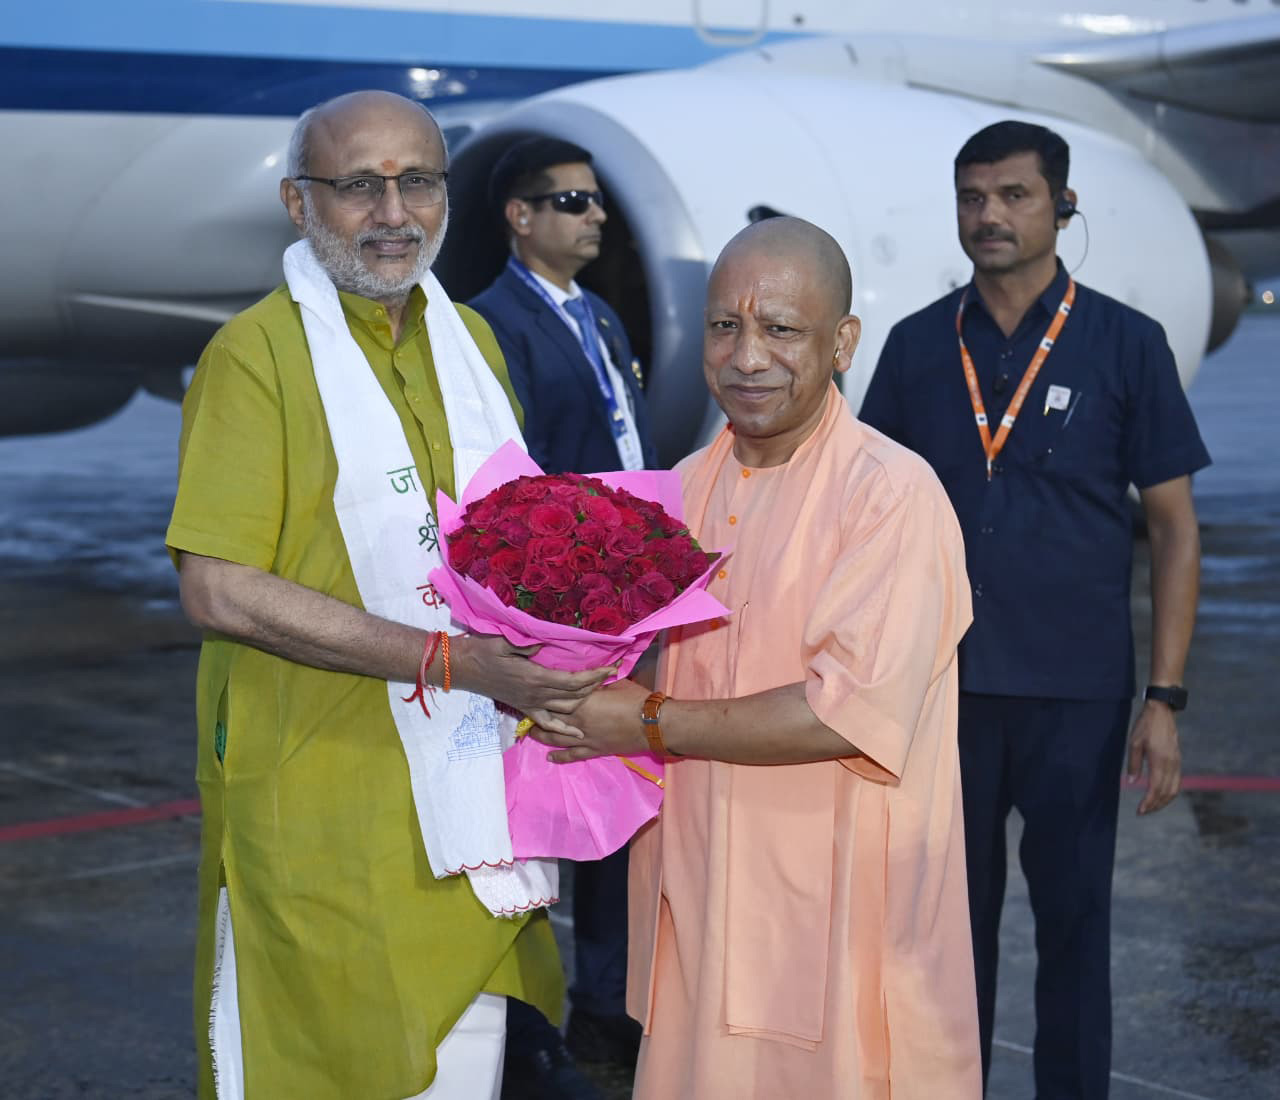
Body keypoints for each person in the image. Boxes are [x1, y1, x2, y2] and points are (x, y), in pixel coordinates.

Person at [166, 90, 613, 1100]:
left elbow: (513, 550)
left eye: (415, 180)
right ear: (296, 201)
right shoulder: (257, 359)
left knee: (468, 1066)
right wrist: (452, 660)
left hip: (468, 813)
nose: (392, 211)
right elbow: (218, 589)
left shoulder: (472, 350)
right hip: (323, 816)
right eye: (357, 185)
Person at [531, 216, 983, 1098]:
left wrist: (647, 721)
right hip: (700, 905)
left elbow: (840, 711)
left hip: (840, 920)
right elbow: (641, 665)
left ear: (843, 342)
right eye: (724, 326)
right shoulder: (685, 487)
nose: (747, 356)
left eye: (781, 328)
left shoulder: (890, 493)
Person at [859, 121, 1209, 1099]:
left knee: (1073, 928)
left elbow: (1175, 527)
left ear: (1059, 204)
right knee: (938, 936)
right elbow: (864, 516)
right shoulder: (917, 345)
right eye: (971, 196)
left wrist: (1164, 695)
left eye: (1012, 195)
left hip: (1075, 694)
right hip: (941, 693)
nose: (987, 216)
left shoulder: (1124, 344)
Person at [469, 138, 657, 1094]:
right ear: (520, 217)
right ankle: (538, 1011)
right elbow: (513, 475)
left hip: (626, 597)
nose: (597, 218)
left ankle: (609, 999)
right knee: (540, 814)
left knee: (616, 808)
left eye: (596, 203)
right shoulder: (488, 325)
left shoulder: (603, 320)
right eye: (574, 202)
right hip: (556, 604)